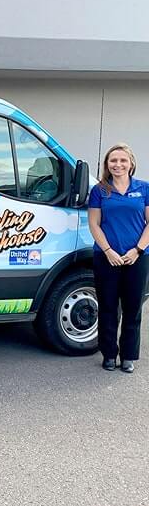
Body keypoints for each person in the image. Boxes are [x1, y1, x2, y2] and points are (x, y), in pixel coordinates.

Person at [88, 143, 149, 373]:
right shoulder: (100, 190)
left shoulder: (144, 189)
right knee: (108, 307)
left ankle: (128, 357)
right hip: (106, 258)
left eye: (123, 160)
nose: (118, 164)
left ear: (131, 163)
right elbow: (94, 224)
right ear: (107, 164)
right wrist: (108, 251)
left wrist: (138, 250)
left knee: (133, 309)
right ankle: (109, 355)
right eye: (113, 160)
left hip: (137, 258)